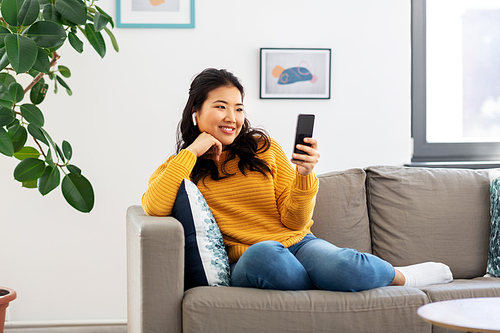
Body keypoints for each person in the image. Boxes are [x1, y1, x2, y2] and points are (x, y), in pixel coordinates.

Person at [142, 68, 453, 291]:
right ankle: (321, 282)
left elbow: (294, 221)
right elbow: (154, 205)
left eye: (238, 108)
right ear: (196, 113)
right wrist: (193, 152)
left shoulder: (264, 149)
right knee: (266, 255)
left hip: (298, 244)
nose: (232, 118)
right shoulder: (181, 167)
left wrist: (304, 176)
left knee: (344, 266)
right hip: (249, 259)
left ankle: (401, 277)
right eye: (220, 107)